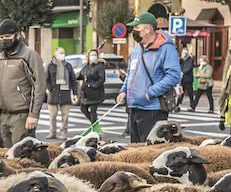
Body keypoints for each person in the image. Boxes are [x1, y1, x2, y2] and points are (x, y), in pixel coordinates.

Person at [117, 12, 181, 142]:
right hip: (134, 107)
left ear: (147, 29)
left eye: (137, 27)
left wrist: (150, 93)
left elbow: (174, 76)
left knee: (149, 152)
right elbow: (130, 73)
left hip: (152, 109)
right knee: (136, 151)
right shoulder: (137, 48)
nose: (133, 31)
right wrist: (124, 91)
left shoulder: (166, 49)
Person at [0, 19, 45, 147]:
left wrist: (33, 115)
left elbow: (39, 86)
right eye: (1, 37)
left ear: (17, 36)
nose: (4, 39)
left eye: (8, 36)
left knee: (21, 156)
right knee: (7, 156)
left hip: (22, 116)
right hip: (4, 116)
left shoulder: (29, 56)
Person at [46, 47, 76, 139]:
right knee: (52, 116)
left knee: (65, 115)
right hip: (53, 94)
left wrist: (75, 93)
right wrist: (50, 88)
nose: (63, 55)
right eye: (61, 53)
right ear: (55, 55)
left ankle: (63, 132)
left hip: (65, 93)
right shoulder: (50, 66)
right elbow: (46, 79)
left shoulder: (68, 66)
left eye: (64, 53)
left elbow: (73, 80)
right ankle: (52, 132)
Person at [77, 49, 107, 124]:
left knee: (93, 111)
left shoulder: (99, 65)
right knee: (83, 108)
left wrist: (93, 85)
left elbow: (102, 79)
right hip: (86, 92)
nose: (93, 57)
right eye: (91, 55)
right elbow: (81, 75)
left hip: (95, 92)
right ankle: (95, 124)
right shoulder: (86, 65)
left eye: (95, 55)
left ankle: (95, 128)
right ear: (88, 56)